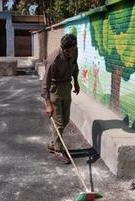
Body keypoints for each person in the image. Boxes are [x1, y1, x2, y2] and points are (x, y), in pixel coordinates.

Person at [41, 34, 80, 164]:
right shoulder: (53, 60)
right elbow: (45, 84)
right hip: (55, 90)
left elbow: (75, 67)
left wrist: (77, 82)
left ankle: (53, 143)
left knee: (66, 120)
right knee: (58, 122)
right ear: (63, 48)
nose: (70, 53)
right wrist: (48, 104)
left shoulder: (74, 51)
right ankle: (58, 150)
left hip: (66, 89)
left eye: (73, 50)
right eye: (68, 51)